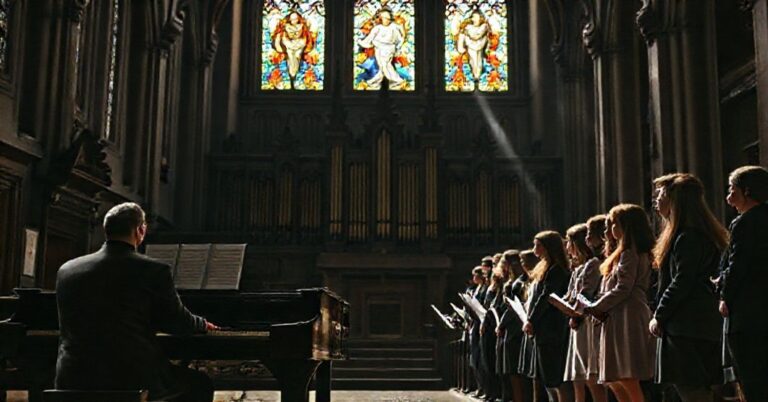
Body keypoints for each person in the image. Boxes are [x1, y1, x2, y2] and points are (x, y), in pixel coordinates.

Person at [55, 203, 218, 402]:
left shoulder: (67, 270)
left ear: (106, 230)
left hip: (74, 375)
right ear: (140, 230)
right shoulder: (153, 270)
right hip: (129, 378)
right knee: (199, 384)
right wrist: (202, 323)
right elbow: (176, 322)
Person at [649, 173, 727, 401]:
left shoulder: (687, 237)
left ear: (675, 200)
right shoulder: (698, 235)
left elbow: (682, 282)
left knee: (693, 391)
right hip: (699, 323)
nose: (656, 201)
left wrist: (659, 315)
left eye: (660, 196)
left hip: (686, 326)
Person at [585, 204, 655, 402]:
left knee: (627, 375)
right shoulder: (622, 252)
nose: (611, 228)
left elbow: (623, 287)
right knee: (615, 379)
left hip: (627, 315)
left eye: (614, 223)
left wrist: (597, 306)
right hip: (617, 314)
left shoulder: (630, 252)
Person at [718, 165, 768, 402]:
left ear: (746, 191)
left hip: (748, 313)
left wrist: (723, 293)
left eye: (732, 190)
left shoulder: (745, 223)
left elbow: (738, 265)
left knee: (751, 379)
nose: (728, 197)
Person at [521, 231, 571, 402]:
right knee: (547, 377)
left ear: (548, 247)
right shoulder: (546, 267)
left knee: (555, 377)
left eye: (538, 245)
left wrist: (531, 320)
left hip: (552, 327)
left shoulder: (556, 270)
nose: (534, 248)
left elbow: (545, 297)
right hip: (544, 328)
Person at [563, 223, 606, 402]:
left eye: (569, 242)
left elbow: (586, 292)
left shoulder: (593, 264)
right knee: (579, 378)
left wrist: (574, 307)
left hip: (586, 322)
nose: (567, 247)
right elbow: (571, 294)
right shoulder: (579, 268)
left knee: (591, 376)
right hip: (577, 323)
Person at [496, 250, 529, 402]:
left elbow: (513, 307)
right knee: (511, 370)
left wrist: (501, 324)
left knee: (515, 369)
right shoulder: (512, 282)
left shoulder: (520, 282)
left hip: (516, 327)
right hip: (512, 328)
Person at [357, 8, 406, 90]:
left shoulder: (393, 27)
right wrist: (361, 42)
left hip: (389, 49)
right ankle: (375, 82)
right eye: (384, 18)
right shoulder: (377, 28)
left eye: (388, 18)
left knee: (385, 65)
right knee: (382, 67)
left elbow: (399, 39)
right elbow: (369, 38)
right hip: (379, 49)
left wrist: (397, 48)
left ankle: (397, 81)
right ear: (381, 18)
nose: (387, 20)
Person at [273, 10, 313, 86]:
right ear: (289, 19)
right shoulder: (286, 26)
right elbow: (284, 37)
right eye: (292, 19)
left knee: (298, 55)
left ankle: (295, 74)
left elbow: (305, 37)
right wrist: (287, 43)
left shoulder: (302, 26)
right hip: (289, 45)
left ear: (298, 19)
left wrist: (299, 42)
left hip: (299, 44)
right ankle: (291, 74)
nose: (294, 21)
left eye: (295, 19)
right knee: (290, 55)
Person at [457, 9, 490, 82]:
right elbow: (463, 35)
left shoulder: (484, 26)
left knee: (479, 62)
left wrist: (468, 33)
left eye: (476, 17)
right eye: (473, 17)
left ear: (480, 18)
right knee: (473, 61)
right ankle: (475, 76)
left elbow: (476, 36)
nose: (474, 19)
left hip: (480, 45)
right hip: (470, 45)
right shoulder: (468, 27)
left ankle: (478, 77)